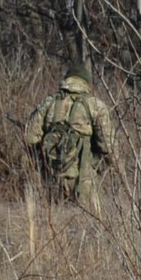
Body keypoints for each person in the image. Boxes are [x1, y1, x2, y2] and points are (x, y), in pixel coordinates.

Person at [24, 63, 115, 207]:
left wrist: (42, 164)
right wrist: (99, 168)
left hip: (52, 177)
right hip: (84, 180)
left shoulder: (48, 102)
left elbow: (30, 138)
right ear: (87, 82)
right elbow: (109, 148)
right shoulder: (96, 106)